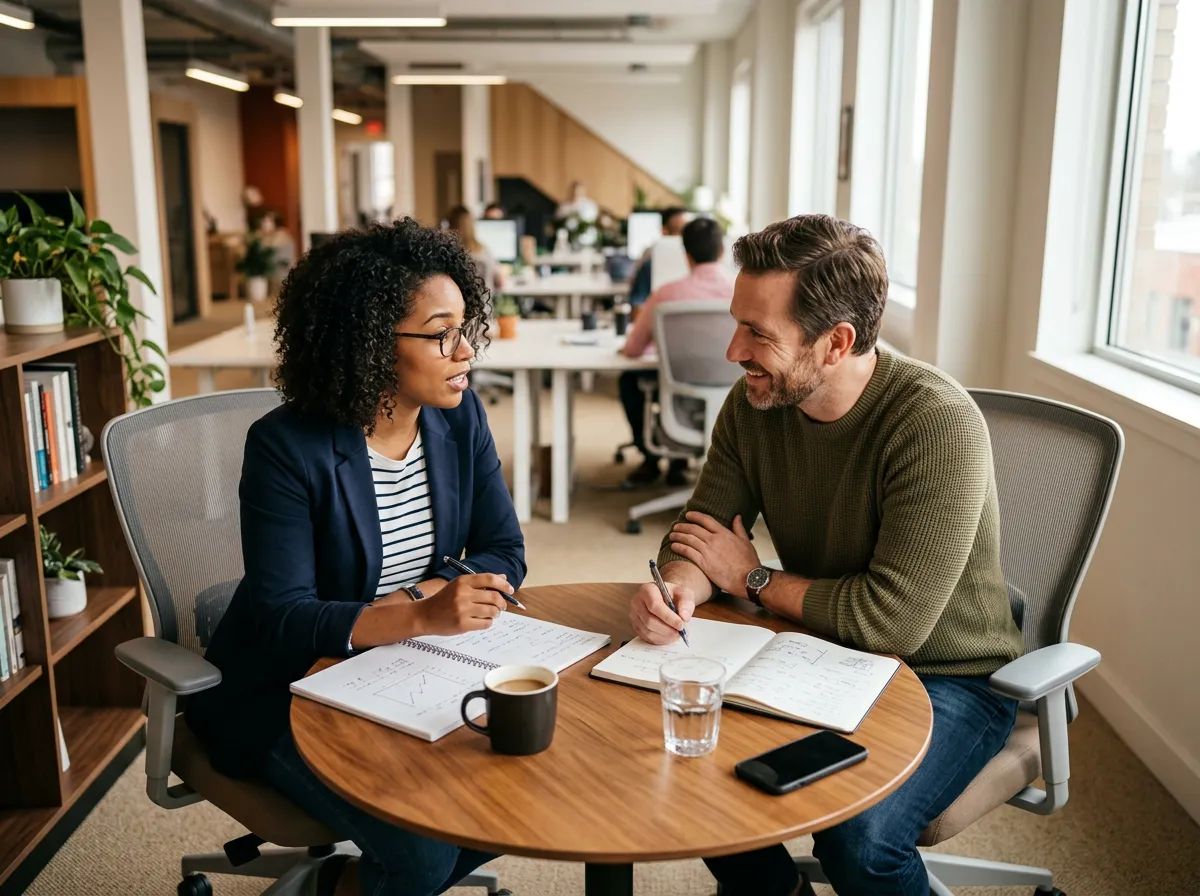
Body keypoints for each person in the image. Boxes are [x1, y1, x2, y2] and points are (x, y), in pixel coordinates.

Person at [628, 214, 1024, 896]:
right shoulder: (757, 402)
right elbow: (698, 533)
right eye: (737, 322)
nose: (733, 350)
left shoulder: (934, 422)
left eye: (758, 333)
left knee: (861, 844)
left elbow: (891, 623)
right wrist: (681, 587)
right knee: (684, 750)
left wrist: (749, 576)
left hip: (948, 675)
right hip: (817, 646)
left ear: (836, 343)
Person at [186, 219, 526, 896]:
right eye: (440, 333)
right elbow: (285, 617)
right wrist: (423, 613)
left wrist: (414, 611)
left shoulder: (460, 418)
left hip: (405, 671)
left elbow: (504, 550)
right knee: (425, 856)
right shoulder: (286, 448)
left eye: (467, 328)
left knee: (513, 796)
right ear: (371, 343)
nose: (464, 352)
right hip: (281, 691)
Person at [619, 216, 733, 488]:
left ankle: (653, 459)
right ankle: (677, 466)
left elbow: (633, 350)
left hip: (679, 402)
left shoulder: (665, 295)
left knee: (629, 381)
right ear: (722, 251)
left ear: (687, 255)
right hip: (736, 404)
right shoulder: (742, 292)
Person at [628, 205, 689, 306]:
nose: (684, 237)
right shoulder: (651, 257)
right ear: (664, 231)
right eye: (679, 231)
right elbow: (637, 303)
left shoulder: (694, 257)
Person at [446, 204, 503, 292]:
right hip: (485, 304)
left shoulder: (448, 253)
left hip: (461, 305)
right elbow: (499, 282)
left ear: (450, 224)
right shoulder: (484, 250)